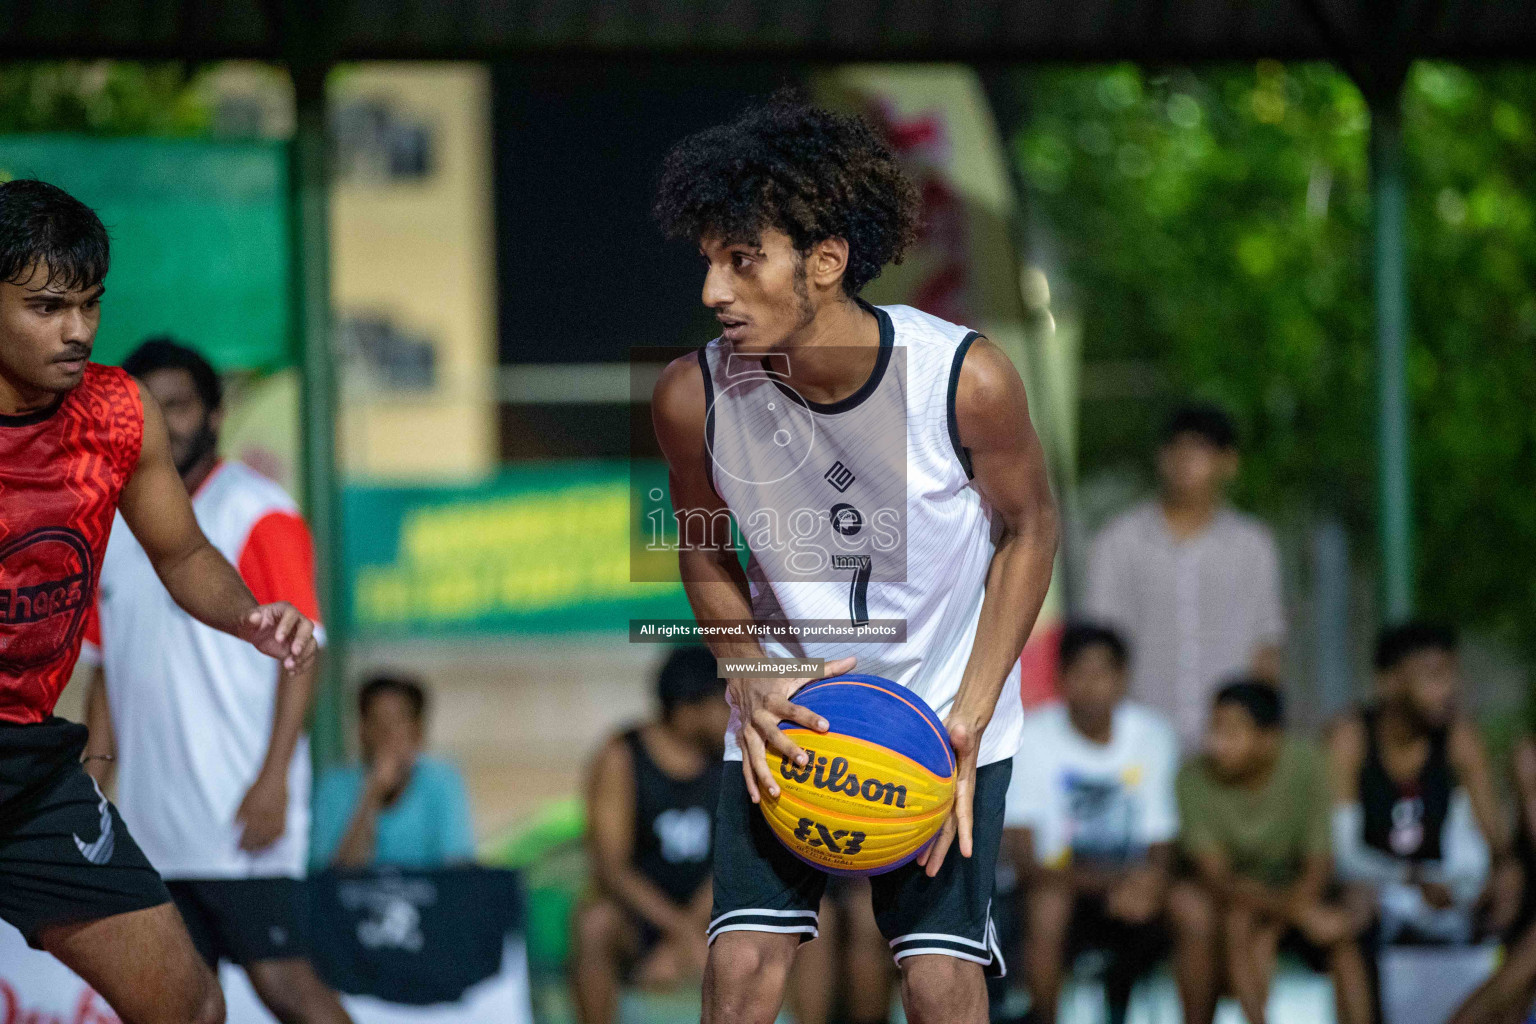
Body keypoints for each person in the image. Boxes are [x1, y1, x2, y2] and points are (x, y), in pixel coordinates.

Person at [651, 94, 1058, 1024]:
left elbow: (1031, 529)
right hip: (788, 709)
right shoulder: (691, 397)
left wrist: (973, 712)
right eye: (710, 259)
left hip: (945, 712)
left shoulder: (966, 380)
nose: (713, 290)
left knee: (941, 981)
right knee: (742, 972)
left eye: (743, 260)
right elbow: (702, 549)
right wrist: (748, 673)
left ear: (826, 262)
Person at [0, 178, 315, 1023]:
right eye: (46, 307)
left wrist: (250, 615)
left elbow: (182, 554)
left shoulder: (115, 412)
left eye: (90, 304)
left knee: (189, 1006)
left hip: (29, 773)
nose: (77, 330)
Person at [77, 338, 352, 1024]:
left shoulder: (258, 508)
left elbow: (303, 651)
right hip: (149, 823)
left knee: (284, 984)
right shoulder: (108, 521)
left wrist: (274, 782)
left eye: (180, 405)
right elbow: (108, 670)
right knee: (182, 1004)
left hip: (239, 815)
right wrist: (94, 785)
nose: (166, 422)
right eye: (150, 407)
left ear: (217, 413)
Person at [1002, 623, 1179, 1024]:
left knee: (1193, 908)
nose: (1092, 685)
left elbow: (1162, 839)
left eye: (1103, 672)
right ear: (1061, 679)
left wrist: (1151, 884)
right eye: (1080, 672)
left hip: (1134, 892)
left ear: (1123, 678)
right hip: (1060, 890)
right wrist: (1113, 884)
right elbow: (1027, 861)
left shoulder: (1153, 734)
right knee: (1048, 905)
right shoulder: (1029, 734)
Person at [1171, 679, 1373, 1024]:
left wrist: (1276, 927)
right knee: (1237, 922)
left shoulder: (1308, 763)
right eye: (1214, 728)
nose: (1215, 743)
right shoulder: (1192, 777)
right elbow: (1218, 879)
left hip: (1296, 889)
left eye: (1232, 731)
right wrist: (1298, 914)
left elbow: (1319, 862)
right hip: (1234, 897)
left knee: (1344, 937)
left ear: (1268, 740)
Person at [1085, 403, 1285, 749]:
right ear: (1161, 458)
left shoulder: (1253, 547)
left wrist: (1261, 734)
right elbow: (1098, 648)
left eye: (1202, 451)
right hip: (1138, 742)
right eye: (1177, 449)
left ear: (1228, 463)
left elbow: (1265, 650)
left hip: (1226, 749)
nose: (1186, 463)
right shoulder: (1119, 542)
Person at [1327, 621, 1516, 947]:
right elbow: (1339, 850)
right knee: (1353, 907)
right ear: (1389, 682)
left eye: (1452, 675)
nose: (1449, 689)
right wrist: (1410, 879)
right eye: (1434, 675)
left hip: (1445, 897)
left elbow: (1494, 842)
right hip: (1371, 891)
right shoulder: (1351, 738)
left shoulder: (1459, 739)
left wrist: (1496, 879)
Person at [570, 646, 728, 1023]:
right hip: (639, 918)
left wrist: (692, 935)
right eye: (723, 702)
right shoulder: (622, 756)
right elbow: (612, 868)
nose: (734, 712)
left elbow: (736, 860)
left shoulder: (733, 755)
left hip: (716, 913)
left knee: (807, 920)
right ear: (688, 710)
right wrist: (680, 934)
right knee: (594, 923)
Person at [311, 674, 476, 869]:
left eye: (397, 721)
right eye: (376, 721)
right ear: (362, 730)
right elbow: (334, 880)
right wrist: (372, 793)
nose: (387, 733)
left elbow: (458, 871)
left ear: (417, 731)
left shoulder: (443, 781)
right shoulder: (334, 786)